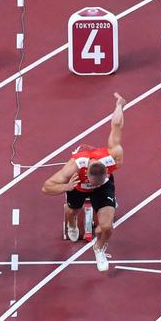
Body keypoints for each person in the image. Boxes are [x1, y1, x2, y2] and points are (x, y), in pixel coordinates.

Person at [42, 93, 127, 272]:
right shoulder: (74, 166)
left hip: (103, 190)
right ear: (87, 175)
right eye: (93, 183)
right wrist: (66, 187)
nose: (94, 185)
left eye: (99, 181)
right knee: (71, 210)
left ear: (106, 173)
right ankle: (72, 223)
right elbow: (46, 187)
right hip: (76, 186)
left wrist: (119, 105)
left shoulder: (113, 157)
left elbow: (116, 125)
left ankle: (99, 248)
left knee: (107, 227)